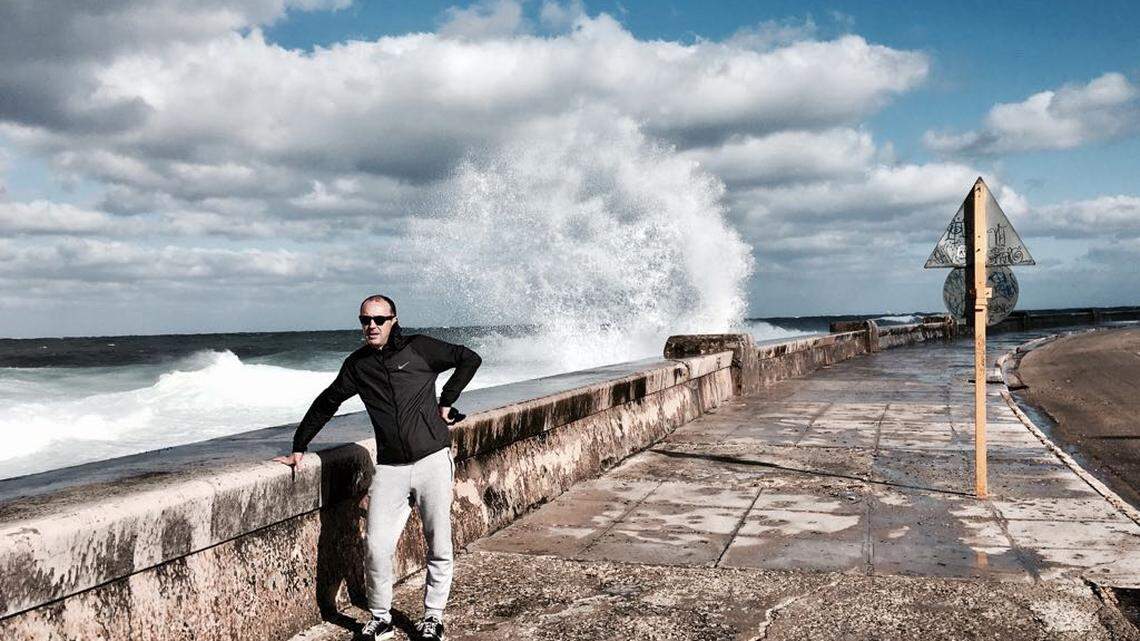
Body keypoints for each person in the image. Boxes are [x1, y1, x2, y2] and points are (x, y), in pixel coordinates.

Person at [274, 294, 481, 641]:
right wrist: (299, 445)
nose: (372, 326)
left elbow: (469, 358)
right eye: (365, 320)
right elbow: (328, 401)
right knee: (377, 547)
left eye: (379, 319)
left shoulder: (420, 349)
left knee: (439, 543)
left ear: (394, 320)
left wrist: (447, 400)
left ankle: (433, 618)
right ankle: (381, 616)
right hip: (390, 468)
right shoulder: (358, 365)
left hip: (432, 459)